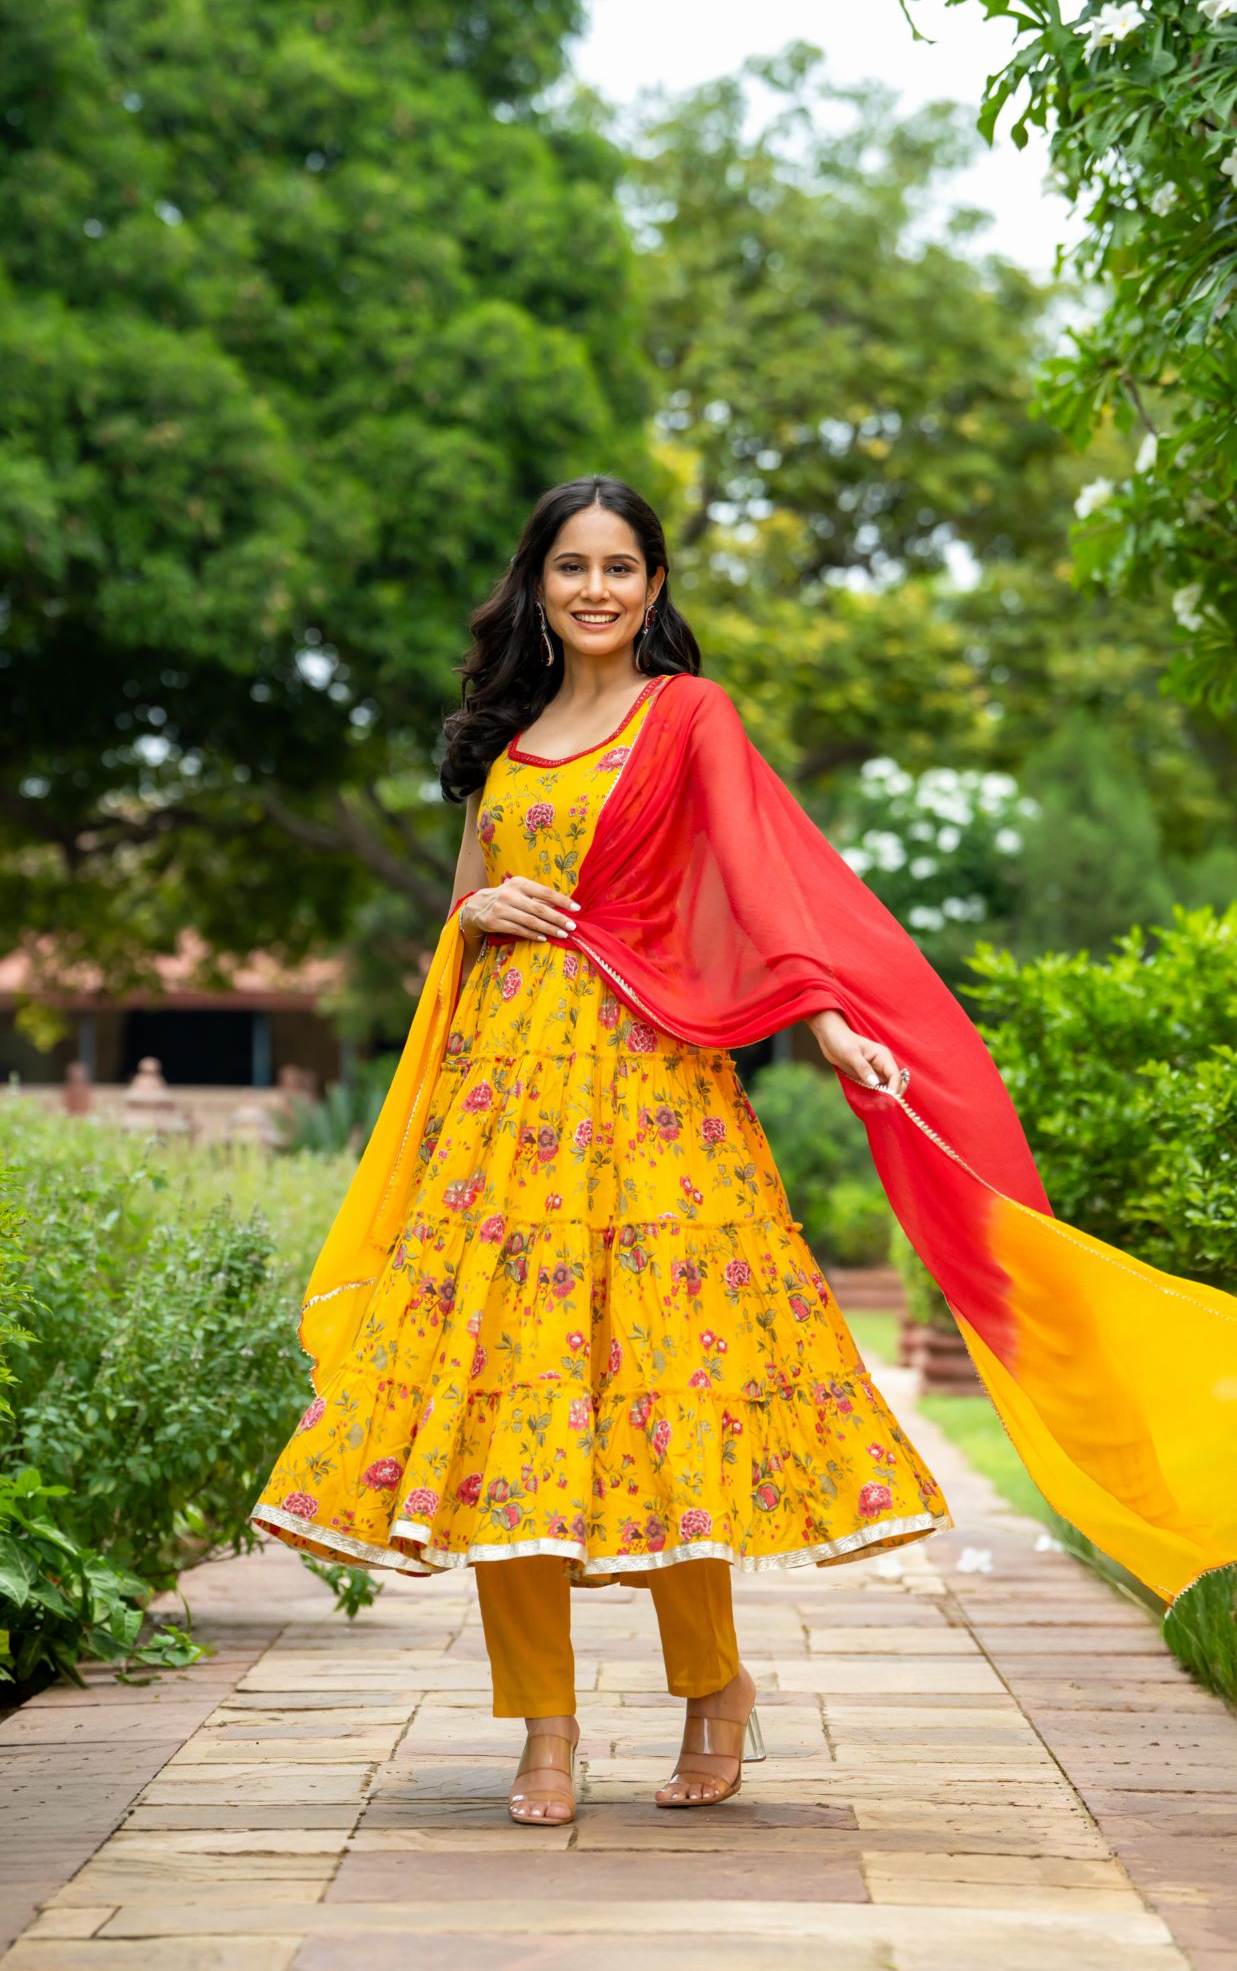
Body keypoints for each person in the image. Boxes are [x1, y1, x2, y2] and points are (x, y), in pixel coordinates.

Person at [252, 474, 954, 1825]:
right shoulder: (501, 744)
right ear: (536, 583)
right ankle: (545, 1729)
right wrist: (474, 915)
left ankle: (713, 1689)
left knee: (668, 1394)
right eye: (571, 566)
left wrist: (825, 1022)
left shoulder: (689, 716)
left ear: (653, 584)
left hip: (652, 1101)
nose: (595, 590)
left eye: (620, 567)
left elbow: (758, 879)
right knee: (501, 1406)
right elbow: (464, 906)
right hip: (504, 1113)